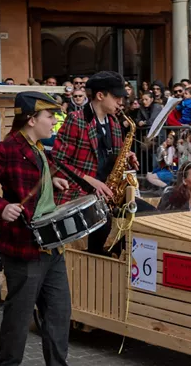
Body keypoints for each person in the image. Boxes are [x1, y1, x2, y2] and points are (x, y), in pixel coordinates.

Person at [0, 91, 91, 366]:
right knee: (20, 314)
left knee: (59, 312)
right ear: (32, 119)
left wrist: (53, 182)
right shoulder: (8, 148)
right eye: (50, 116)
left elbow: (35, 182)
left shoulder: (37, 148)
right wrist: (0, 207)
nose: (55, 122)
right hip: (23, 246)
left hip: (51, 245)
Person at [52, 71, 148, 255]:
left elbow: (112, 156)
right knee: (103, 220)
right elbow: (58, 160)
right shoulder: (77, 120)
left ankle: (115, 251)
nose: (121, 102)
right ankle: (96, 258)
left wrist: (125, 156)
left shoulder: (114, 122)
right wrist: (90, 181)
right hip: (81, 192)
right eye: (116, 97)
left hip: (109, 192)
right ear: (100, 95)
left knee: (151, 215)